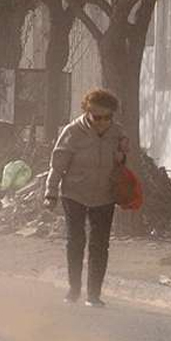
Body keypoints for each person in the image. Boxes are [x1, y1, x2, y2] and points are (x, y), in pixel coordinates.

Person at [44, 87, 130, 307]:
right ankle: (74, 290)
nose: (102, 122)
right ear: (87, 112)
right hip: (74, 193)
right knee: (76, 240)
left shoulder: (117, 133)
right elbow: (58, 165)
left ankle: (94, 294)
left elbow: (121, 164)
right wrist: (50, 192)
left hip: (104, 194)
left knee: (100, 244)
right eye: (96, 117)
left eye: (107, 117)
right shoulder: (73, 132)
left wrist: (122, 159)